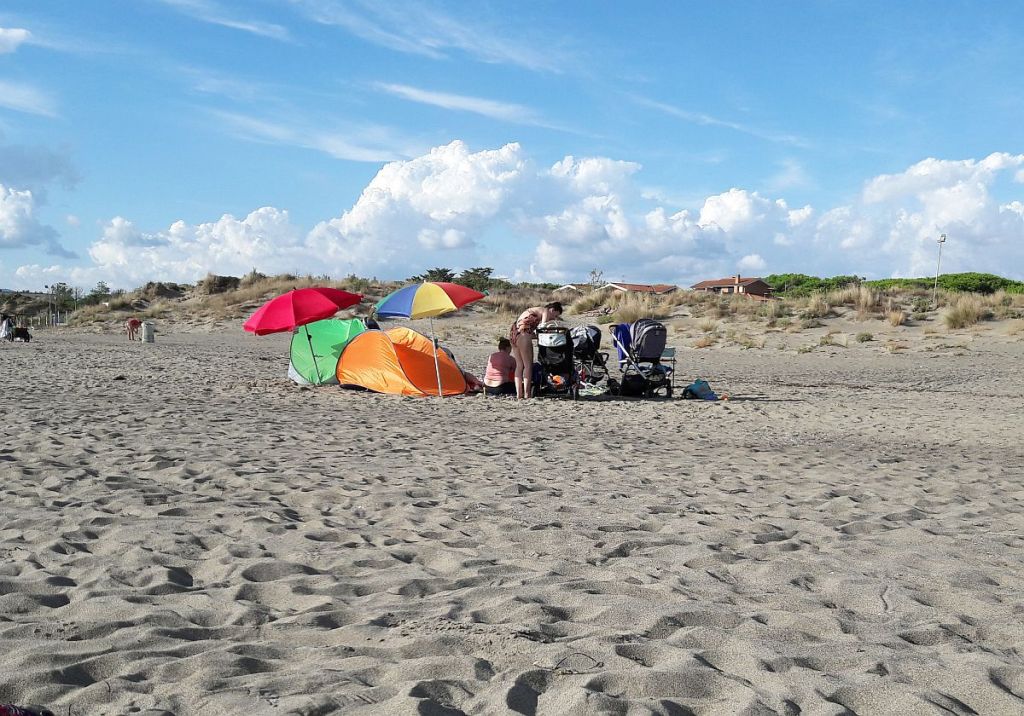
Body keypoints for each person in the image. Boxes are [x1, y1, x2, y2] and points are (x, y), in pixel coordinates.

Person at [510, 302, 563, 399]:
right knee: (528, 366)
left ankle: (519, 394)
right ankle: (527, 394)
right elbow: (542, 328)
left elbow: (532, 332)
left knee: (519, 366)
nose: (554, 318)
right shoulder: (545, 311)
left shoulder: (535, 310)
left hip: (514, 334)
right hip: (523, 334)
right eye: (555, 315)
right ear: (552, 310)